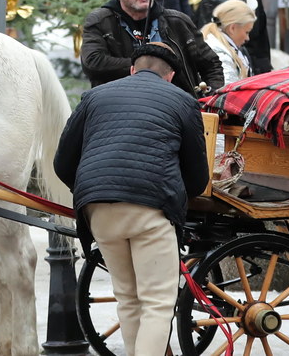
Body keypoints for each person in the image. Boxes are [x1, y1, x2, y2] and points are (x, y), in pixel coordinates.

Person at [54, 42, 209, 356]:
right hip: (151, 205)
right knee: (157, 303)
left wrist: (95, 191)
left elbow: (62, 162)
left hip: (96, 207)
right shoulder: (183, 100)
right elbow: (198, 176)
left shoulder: (95, 96)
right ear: (171, 76)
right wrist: (178, 196)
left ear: (132, 69)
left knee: (127, 298)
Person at [82, 0, 225, 95]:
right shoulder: (100, 21)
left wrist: (211, 99)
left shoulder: (178, 21)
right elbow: (93, 62)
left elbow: (212, 64)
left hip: (176, 108)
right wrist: (149, 66)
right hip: (120, 105)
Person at [200, 0, 256, 85]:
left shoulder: (217, 46)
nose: (247, 38)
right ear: (232, 28)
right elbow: (228, 94)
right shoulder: (221, 56)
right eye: (247, 32)